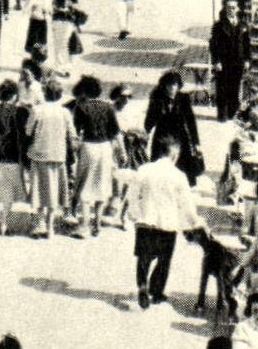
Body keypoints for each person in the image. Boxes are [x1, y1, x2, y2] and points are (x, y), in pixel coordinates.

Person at [127, 130, 200, 309]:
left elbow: (132, 195)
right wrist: (193, 222)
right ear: (174, 154)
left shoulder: (144, 170)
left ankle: (142, 285)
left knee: (144, 257)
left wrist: (133, 214)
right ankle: (156, 291)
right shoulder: (179, 176)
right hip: (168, 224)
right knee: (164, 260)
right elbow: (186, 204)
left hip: (146, 221)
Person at [25, 80, 78, 240]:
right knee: (54, 189)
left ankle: (39, 224)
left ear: (44, 93)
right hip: (58, 155)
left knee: (39, 190)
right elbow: (72, 134)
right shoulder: (65, 112)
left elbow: (28, 131)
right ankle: (50, 227)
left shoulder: (37, 110)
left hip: (39, 154)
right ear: (60, 95)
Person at [70, 76, 120, 238]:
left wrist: (74, 147)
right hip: (105, 148)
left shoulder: (81, 106)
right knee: (102, 184)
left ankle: (84, 224)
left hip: (89, 146)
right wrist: (121, 152)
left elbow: (76, 131)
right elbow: (115, 132)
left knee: (85, 184)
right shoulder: (109, 107)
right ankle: (97, 221)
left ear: (84, 90)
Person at [0, 80, 29, 236]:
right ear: (14, 95)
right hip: (12, 156)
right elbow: (24, 135)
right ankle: (4, 222)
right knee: (7, 191)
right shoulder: (20, 112)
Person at [145, 71, 202, 181]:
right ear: (164, 86)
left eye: (174, 85)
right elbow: (149, 120)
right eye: (169, 85)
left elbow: (191, 122)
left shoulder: (183, 98)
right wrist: (146, 133)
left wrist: (196, 143)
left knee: (181, 167)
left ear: (178, 86)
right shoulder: (158, 99)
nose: (172, 88)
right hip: (162, 137)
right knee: (160, 166)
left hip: (180, 137)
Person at [211, 0, 252, 123]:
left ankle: (232, 114)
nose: (231, 10)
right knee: (223, 88)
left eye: (233, 8)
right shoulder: (219, 25)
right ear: (225, 9)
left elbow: (246, 44)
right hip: (223, 62)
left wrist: (247, 59)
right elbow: (213, 45)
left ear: (237, 9)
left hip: (238, 61)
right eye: (228, 8)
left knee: (235, 88)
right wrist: (216, 61)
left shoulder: (243, 25)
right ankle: (222, 115)